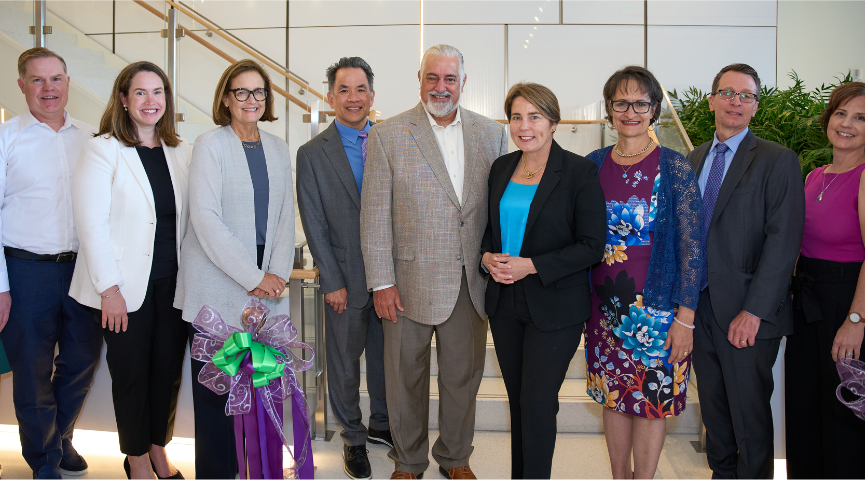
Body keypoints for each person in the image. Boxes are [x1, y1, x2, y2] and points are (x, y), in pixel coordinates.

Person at [360, 44, 507, 480]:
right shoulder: (388, 135)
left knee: (463, 378)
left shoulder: (492, 134)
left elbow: (498, 208)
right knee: (405, 379)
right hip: (404, 283)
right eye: (432, 78)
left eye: (449, 79)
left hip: (469, 280)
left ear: (463, 83)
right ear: (419, 79)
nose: (440, 87)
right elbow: (374, 216)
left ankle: (456, 457)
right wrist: (380, 282)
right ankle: (408, 461)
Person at [173, 59, 295, 479]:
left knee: (262, 396)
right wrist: (254, 278)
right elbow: (206, 220)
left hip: (264, 293)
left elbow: (283, 218)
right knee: (218, 401)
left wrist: (274, 276)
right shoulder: (210, 144)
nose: (251, 100)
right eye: (241, 92)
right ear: (226, 98)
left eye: (259, 92)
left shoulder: (279, 148)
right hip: (218, 293)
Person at [69, 61, 189, 480]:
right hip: (123, 288)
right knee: (132, 374)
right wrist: (109, 289)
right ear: (123, 98)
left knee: (167, 374)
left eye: (158, 92)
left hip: (173, 285)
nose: (150, 101)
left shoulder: (179, 151)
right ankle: (136, 458)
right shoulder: (103, 148)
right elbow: (91, 224)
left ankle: (159, 448)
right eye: (140, 92)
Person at [480, 82, 606, 479]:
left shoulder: (579, 170)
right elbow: (490, 233)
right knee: (518, 401)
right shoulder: (501, 168)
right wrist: (486, 258)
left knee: (537, 402)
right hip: (504, 303)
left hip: (554, 305)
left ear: (553, 122)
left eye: (534, 116)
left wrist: (530, 265)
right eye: (517, 117)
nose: (524, 125)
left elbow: (591, 246)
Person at [583, 66, 702, 479]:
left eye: (640, 103)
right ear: (609, 109)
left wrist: (685, 318)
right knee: (613, 396)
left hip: (657, 311)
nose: (630, 111)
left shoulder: (674, 167)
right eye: (621, 102)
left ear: (654, 110)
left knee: (652, 400)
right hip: (602, 310)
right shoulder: (592, 164)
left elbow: (693, 249)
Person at [687, 63, 805, 479]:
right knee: (715, 419)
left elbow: (783, 241)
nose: (736, 101)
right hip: (698, 311)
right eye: (727, 93)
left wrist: (753, 312)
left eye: (746, 95)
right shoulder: (694, 157)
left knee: (749, 421)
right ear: (712, 99)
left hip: (746, 315)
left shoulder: (778, 160)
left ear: (756, 106)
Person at [0, 47, 102, 480]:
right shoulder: (7, 138)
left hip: (82, 270)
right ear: (22, 85)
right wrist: (1, 285)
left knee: (82, 359)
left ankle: (59, 435)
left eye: (56, 79)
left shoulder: (93, 138)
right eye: (37, 80)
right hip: (25, 271)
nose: (48, 89)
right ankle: (44, 460)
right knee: (32, 369)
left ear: (67, 82)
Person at [296, 56, 389, 480]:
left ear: (372, 95)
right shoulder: (313, 153)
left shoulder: (393, 139)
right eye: (344, 90)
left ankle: (383, 425)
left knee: (391, 357)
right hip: (345, 279)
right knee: (345, 362)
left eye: (361, 90)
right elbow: (313, 221)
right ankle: (352, 437)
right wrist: (331, 280)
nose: (353, 98)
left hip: (391, 277)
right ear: (330, 97)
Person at [786, 81, 865, 478]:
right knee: (804, 408)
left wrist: (855, 322)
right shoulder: (815, 175)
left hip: (847, 302)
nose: (847, 123)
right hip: (808, 302)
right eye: (840, 113)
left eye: (860, 117)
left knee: (841, 414)